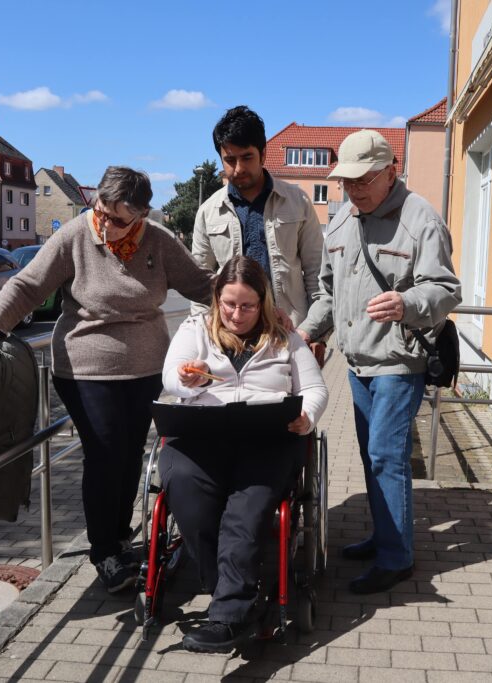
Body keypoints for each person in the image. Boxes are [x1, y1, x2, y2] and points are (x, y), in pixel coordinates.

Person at [0, 166, 215, 593]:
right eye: (103, 213)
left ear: (142, 215)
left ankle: (120, 538)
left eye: (119, 220)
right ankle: (104, 551)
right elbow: (28, 285)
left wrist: (256, 301)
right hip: (86, 368)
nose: (106, 225)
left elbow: (202, 285)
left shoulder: (159, 242)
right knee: (105, 452)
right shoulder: (74, 235)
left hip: (146, 369)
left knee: (130, 455)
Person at [298, 130, 461, 594]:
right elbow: (328, 292)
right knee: (374, 459)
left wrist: (407, 304)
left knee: (387, 456)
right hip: (357, 362)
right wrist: (307, 332)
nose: (353, 190)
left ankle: (397, 559)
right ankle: (385, 534)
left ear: (391, 171)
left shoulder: (420, 219)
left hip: (398, 360)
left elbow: (447, 289)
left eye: (364, 180)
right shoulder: (342, 220)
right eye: (347, 181)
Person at [160, 255, 328, 653]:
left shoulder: (284, 339)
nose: (237, 314)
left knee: (245, 511)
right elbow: (170, 376)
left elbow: (316, 390)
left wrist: (307, 416)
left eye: (248, 305)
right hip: (201, 437)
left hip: (266, 439)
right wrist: (186, 380)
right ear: (217, 299)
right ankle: (229, 588)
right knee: (185, 489)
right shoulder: (195, 329)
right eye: (229, 304)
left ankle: (229, 614)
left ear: (264, 302)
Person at [192, 106, 324, 335]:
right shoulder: (208, 211)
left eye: (247, 157)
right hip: (229, 335)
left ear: (263, 153)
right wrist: (203, 338)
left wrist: (313, 333)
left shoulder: (297, 202)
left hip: (289, 332)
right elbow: (199, 284)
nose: (239, 168)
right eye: (230, 160)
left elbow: (317, 274)